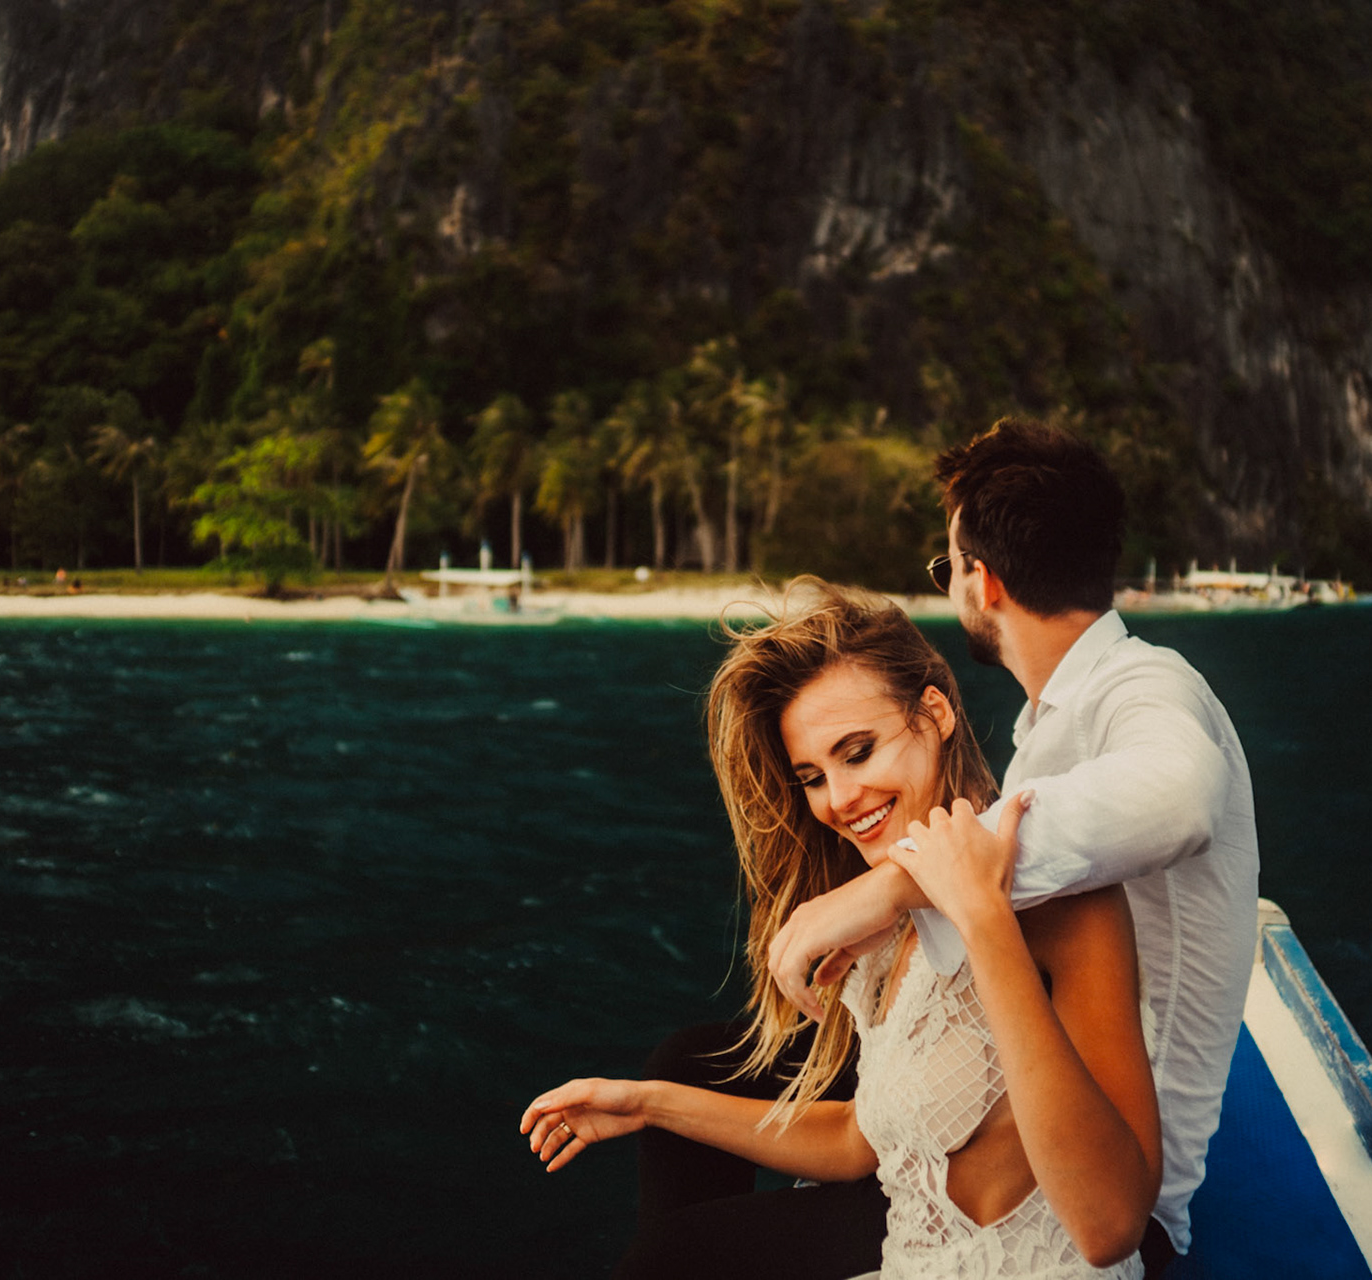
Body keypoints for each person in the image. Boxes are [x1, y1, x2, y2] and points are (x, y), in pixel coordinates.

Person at [522, 580, 1161, 1278]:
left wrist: (981, 916)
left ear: (936, 713)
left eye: (858, 752)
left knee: (668, 1260)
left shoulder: (1063, 901)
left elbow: (1110, 1228)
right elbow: (863, 1138)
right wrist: (647, 1105)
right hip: (913, 1257)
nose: (840, 800)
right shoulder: (880, 921)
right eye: (813, 776)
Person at [763, 419, 1258, 1276]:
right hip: (1022, 1127)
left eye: (945, 567)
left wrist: (890, 889)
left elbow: (1176, 797)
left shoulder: (1147, 686)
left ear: (979, 583)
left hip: (1111, 1201)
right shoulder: (1047, 736)